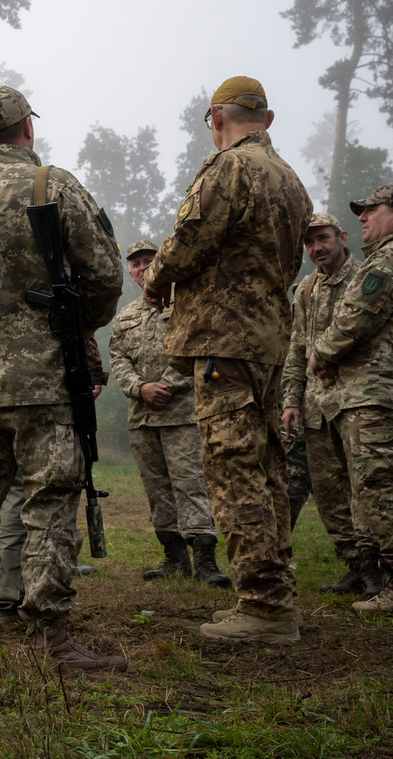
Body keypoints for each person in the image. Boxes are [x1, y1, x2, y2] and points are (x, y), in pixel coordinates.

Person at [0, 86, 124, 670]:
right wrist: (76, 328)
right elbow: (106, 276)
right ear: (28, 129)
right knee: (48, 504)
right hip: (44, 382)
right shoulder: (54, 186)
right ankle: (50, 637)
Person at [143, 76, 312, 645]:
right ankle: (277, 597)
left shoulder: (229, 168)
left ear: (216, 117)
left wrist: (156, 279)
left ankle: (264, 608)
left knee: (232, 468)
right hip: (267, 343)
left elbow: (188, 239)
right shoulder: (292, 181)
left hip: (225, 342)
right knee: (265, 468)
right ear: (268, 118)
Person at [109, 239, 229, 587]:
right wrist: (139, 388)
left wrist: (165, 385)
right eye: (135, 264)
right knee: (157, 489)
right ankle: (175, 559)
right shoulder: (125, 317)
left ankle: (205, 560)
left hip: (182, 414)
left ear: (163, 262)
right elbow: (118, 358)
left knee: (190, 484)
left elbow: (200, 350)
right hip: (142, 418)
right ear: (130, 272)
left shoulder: (186, 304)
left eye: (149, 260)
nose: (142, 268)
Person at [282, 214, 382, 595]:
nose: (316, 248)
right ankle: (355, 566)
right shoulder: (306, 289)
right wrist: (291, 400)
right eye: (309, 243)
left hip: (356, 400)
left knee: (364, 487)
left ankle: (376, 570)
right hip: (314, 408)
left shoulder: (364, 278)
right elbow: (296, 349)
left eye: (323, 238)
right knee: (329, 493)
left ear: (342, 236)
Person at [310, 185, 393, 613]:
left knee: (378, 487)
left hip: (372, 391)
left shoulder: (386, 261)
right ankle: (371, 573)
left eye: (371, 210)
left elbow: (355, 316)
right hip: (359, 391)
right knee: (367, 487)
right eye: (360, 212)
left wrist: (322, 354)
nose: (363, 217)